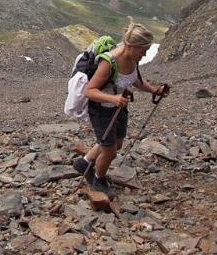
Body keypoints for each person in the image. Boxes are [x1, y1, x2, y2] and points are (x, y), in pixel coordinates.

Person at [72, 22, 170, 197]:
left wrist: (154, 90)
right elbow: (89, 91)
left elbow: (135, 80)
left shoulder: (133, 59)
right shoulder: (108, 62)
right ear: (130, 46)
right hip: (102, 109)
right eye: (143, 50)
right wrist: (114, 98)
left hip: (118, 107)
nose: (145, 54)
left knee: (116, 144)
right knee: (109, 150)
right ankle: (98, 180)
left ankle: (83, 162)